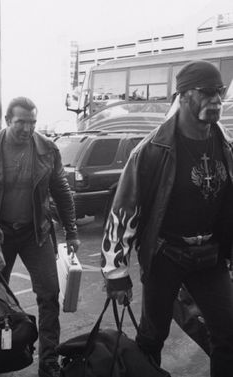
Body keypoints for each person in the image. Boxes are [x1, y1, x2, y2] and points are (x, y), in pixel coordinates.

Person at [101, 60, 233, 376]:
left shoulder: (225, 144)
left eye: (220, 92)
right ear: (184, 95)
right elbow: (123, 213)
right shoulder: (152, 150)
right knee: (152, 336)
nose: (216, 100)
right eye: (207, 93)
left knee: (228, 332)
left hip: (210, 257)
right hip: (165, 256)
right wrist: (116, 273)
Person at [0, 97, 80, 377]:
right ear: (8, 120)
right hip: (0, 233)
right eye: (21, 122)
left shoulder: (47, 149)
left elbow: (62, 191)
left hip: (36, 232)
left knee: (49, 295)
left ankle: (49, 360)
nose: (27, 128)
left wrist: (72, 231)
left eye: (32, 122)